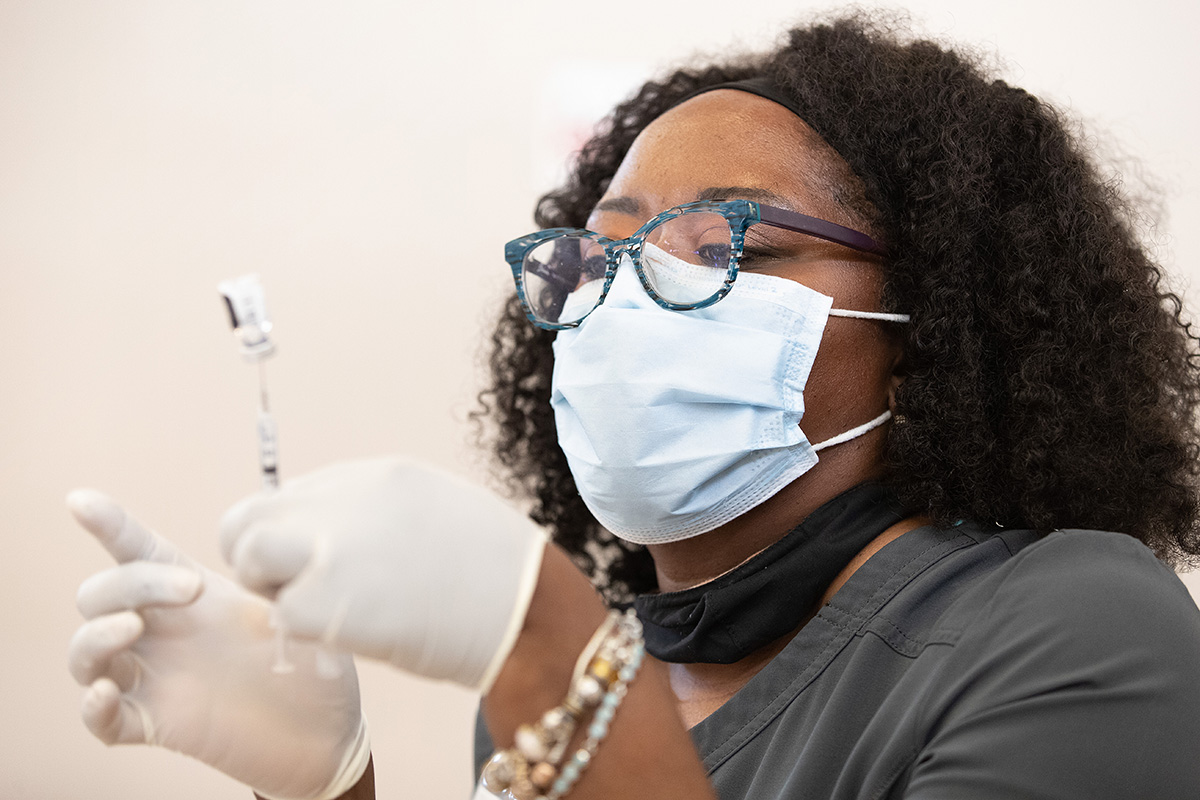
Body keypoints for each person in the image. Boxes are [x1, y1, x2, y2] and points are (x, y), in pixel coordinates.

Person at [67, 12, 1200, 800]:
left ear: (931, 322)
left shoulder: (1076, 626)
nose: (627, 305)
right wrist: (328, 782)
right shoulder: (581, 693)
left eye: (727, 244)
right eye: (597, 260)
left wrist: (545, 644)